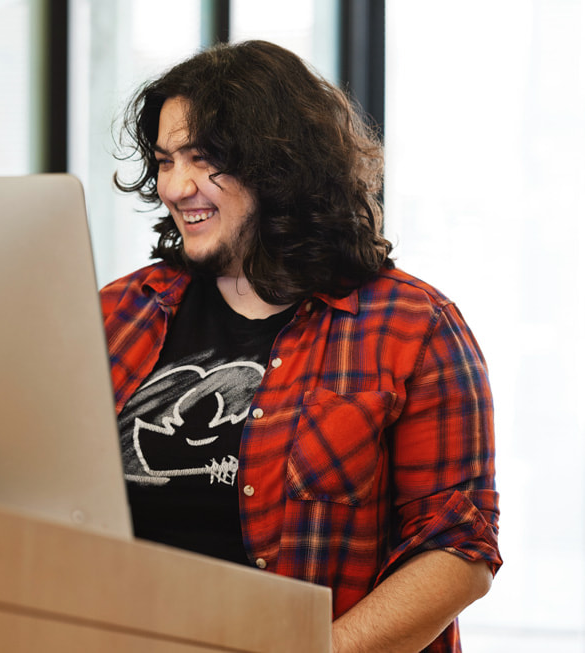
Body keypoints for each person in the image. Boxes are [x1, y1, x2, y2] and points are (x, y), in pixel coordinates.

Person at [100, 40, 501, 653]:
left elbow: (457, 552)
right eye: (164, 160)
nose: (177, 186)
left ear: (280, 165)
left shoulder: (415, 326)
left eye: (204, 158)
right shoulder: (116, 313)